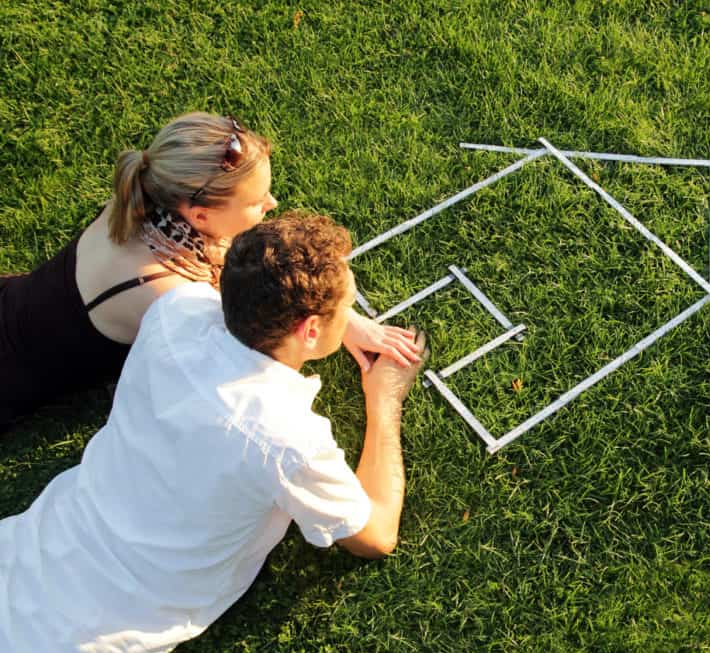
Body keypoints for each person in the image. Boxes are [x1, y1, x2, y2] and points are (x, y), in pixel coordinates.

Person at [0, 211, 427, 653]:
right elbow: (377, 533)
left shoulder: (176, 310)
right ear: (307, 330)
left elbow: (227, 282)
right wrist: (383, 398)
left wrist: (335, 320)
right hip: (90, 631)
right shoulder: (286, 438)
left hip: (51, 538)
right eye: (346, 306)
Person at [0, 112, 419, 429]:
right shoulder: (172, 295)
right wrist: (337, 319)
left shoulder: (150, 197)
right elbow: (255, 344)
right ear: (200, 215)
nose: (272, 205)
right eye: (256, 203)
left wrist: (347, 318)